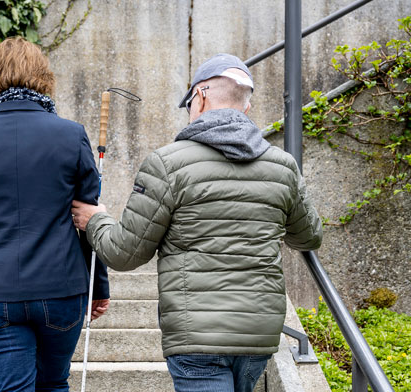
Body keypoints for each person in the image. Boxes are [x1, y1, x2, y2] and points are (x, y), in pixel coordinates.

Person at [71, 53, 322, 392]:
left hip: (196, 337)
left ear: (200, 96)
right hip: (257, 335)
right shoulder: (283, 166)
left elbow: (124, 253)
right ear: (245, 108)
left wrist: (95, 220)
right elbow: (308, 237)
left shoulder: (167, 164)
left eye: (189, 102)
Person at [0, 36, 110, 392]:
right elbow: (89, 217)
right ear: (43, 77)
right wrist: (98, 285)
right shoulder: (71, 136)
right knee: (53, 384)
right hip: (61, 288)